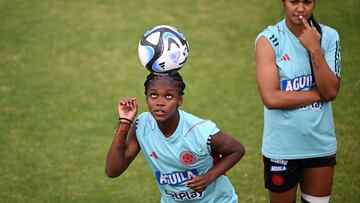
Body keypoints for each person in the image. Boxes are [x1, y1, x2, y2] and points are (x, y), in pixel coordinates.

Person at [105, 71, 245, 202]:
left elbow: (237, 150)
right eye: (153, 95)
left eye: (169, 96)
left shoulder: (200, 131)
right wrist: (125, 123)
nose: (160, 102)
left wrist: (208, 177)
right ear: (146, 98)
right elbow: (112, 171)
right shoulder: (142, 125)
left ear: (180, 100)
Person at [255, 0, 341, 202]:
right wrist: (319, 94)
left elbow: (331, 90)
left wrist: (315, 49)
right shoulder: (268, 40)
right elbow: (271, 98)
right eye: (294, 1)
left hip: (320, 145)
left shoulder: (329, 36)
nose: (301, 9)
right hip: (281, 148)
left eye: (307, 2)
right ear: (283, 3)